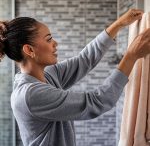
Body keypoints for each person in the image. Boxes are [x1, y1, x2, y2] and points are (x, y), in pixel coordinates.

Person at [0, 9, 150, 146]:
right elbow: (98, 101)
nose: (55, 43)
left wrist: (118, 24)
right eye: (48, 39)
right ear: (29, 50)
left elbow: (84, 60)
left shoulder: (47, 76)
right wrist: (131, 56)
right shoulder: (29, 95)